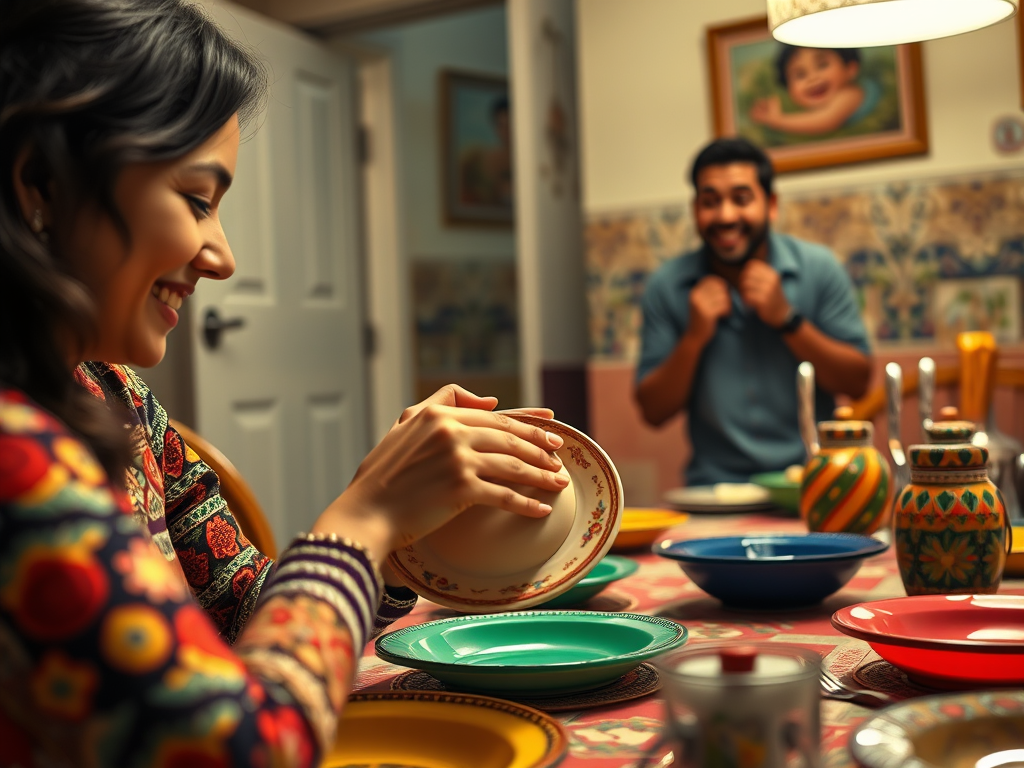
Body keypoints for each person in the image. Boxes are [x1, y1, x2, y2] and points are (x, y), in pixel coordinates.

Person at [0, 2, 568, 767]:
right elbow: (249, 748)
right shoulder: (16, 455)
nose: (222, 257)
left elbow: (241, 616)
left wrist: (395, 551)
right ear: (40, 182)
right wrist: (361, 519)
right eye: (198, 199)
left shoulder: (118, 397)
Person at [634, 138, 872, 486]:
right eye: (710, 201)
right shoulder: (667, 285)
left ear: (771, 205)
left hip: (811, 481)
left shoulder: (819, 268)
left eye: (741, 199)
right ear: (695, 208)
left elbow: (858, 382)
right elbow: (653, 412)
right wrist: (694, 338)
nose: (726, 216)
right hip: (713, 488)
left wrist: (788, 320)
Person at [749, 45, 879, 136]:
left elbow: (827, 120)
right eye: (800, 75)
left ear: (851, 69)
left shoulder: (850, 94)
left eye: (822, 65)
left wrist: (778, 120)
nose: (812, 78)